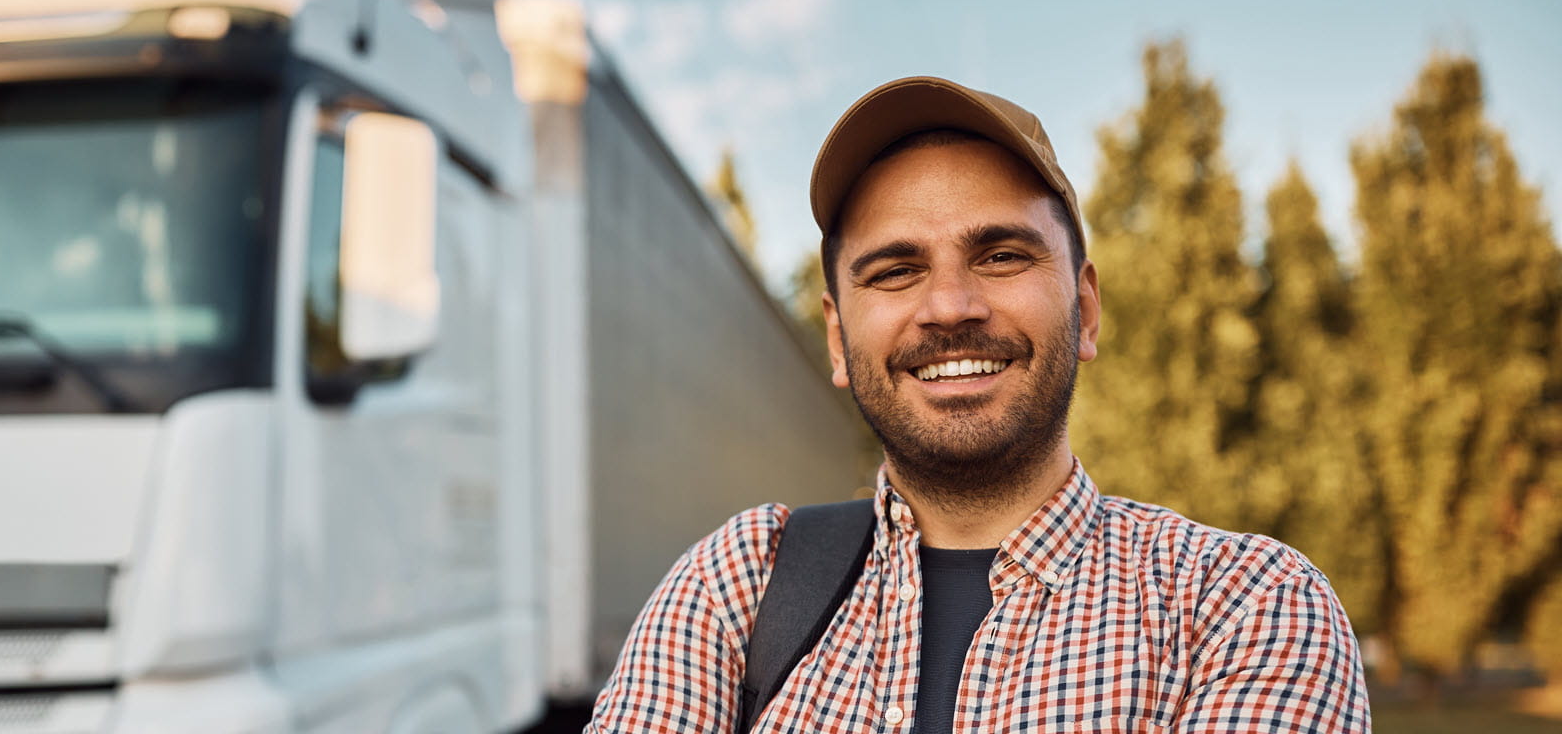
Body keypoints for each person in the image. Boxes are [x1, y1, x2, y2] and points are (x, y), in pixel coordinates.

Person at [584, 77, 1370, 733]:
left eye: (1000, 255)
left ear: (1085, 310)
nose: (949, 306)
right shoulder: (739, 584)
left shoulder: (1243, 607)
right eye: (894, 271)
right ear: (836, 338)